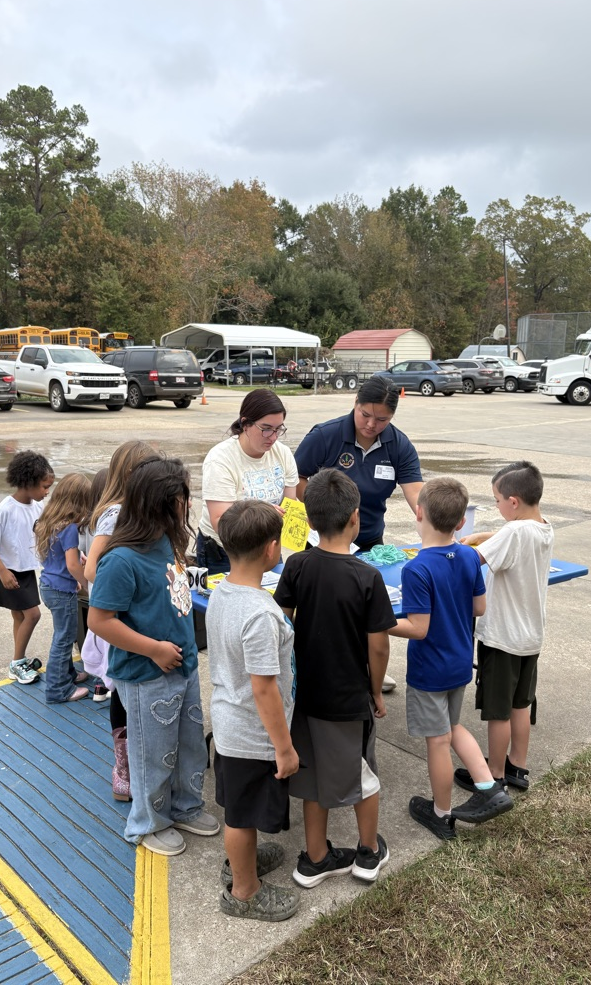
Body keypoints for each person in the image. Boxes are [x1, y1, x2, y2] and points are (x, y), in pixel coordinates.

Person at [88, 456, 219, 855]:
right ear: (162, 503)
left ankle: (185, 806)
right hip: (146, 674)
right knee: (153, 754)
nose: (189, 504)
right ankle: (148, 822)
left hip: (182, 666)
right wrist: (154, 649)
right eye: (183, 497)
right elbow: (99, 620)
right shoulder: (120, 559)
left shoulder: (166, 541)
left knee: (189, 745)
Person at [274, 469, 396, 886]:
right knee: (364, 777)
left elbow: (283, 624)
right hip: (347, 698)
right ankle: (368, 852)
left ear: (309, 520)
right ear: (356, 518)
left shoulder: (296, 565)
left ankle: (315, 857)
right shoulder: (367, 576)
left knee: (311, 777)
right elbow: (379, 647)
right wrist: (375, 690)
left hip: (305, 695)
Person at [388, 477, 513, 841]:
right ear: (461, 522)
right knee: (452, 727)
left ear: (419, 513)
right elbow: (479, 606)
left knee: (438, 740)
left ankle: (441, 814)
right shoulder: (469, 556)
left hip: (430, 669)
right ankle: (488, 785)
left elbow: (418, 628)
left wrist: (378, 622)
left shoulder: (417, 568)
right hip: (459, 661)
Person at [294, 376, 423, 693]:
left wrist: (436, 521)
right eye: (365, 414)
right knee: (323, 609)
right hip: (324, 541)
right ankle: (316, 669)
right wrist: (326, 509)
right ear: (355, 404)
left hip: (368, 543)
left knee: (368, 607)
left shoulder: (398, 445)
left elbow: (416, 493)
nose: (371, 424)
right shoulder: (325, 436)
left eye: (382, 419)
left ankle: (369, 668)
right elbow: (296, 479)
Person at [207, 499, 299, 922]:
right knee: (241, 817)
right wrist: (284, 747)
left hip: (230, 722)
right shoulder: (261, 614)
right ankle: (244, 891)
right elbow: (264, 689)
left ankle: (243, 862)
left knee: (239, 809)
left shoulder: (222, 591)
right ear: (271, 549)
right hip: (251, 733)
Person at [455, 461, 554, 793]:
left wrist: (448, 549)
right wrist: (481, 536)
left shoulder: (513, 533)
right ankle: (517, 767)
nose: (496, 506)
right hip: (530, 637)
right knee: (520, 705)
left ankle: (494, 774)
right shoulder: (543, 527)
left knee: (497, 712)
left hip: (503, 638)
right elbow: (509, 536)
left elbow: (474, 560)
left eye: (497, 500)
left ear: (513, 502)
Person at [84, 440, 157, 800]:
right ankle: (123, 769)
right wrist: (129, 581)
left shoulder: (138, 509)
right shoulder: (117, 513)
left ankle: (135, 765)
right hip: (118, 618)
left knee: (127, 690)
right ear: (132, 474)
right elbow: (91, 568)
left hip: (130, 617)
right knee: (121, 691)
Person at [196, 388, 299, 576]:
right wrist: (261, 516)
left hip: (266, 546)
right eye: (266, 429)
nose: (273, 437)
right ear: (245, 423)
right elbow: (219, 520)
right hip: (226, 551)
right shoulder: (220, 459)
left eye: (278, 429)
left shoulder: (283, 454)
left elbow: (289, 504)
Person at [0, 450, 55, 685]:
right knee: (33, 615)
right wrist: (2, 571)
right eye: (44, 486)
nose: (47, 492)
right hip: (8, 572)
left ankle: (19, 659)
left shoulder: (37, 507)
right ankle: (16, 663)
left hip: (25, 570)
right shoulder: (5, 509)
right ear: (28, 482)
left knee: (20, 617)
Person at [34, 473, 92, 704]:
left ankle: (68, 674)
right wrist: (87, 583)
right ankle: (58, 689)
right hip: (62, 592)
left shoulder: (48, 522)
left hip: (48, 585)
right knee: (64, 639)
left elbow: (54, 557)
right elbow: (72, 565)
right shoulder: (70, 528)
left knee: (62, 634)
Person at [77, 467, 110, 703]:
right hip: (105, 584)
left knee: (97, 635)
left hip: (93, 587)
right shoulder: (111, 521)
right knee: (110, 638)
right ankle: (107, 681)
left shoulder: (87, 522)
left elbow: (79, 550)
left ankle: (99, 683)